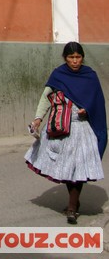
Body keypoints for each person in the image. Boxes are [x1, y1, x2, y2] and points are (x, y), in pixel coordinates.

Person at [25, 41, 107, 224]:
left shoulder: (90, 76)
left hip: (83, 128)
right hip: (61, 128)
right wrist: (38, 119)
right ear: (65, 58)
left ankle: (71, 207)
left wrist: (88, 109)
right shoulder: (58, 75)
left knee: (78, 168)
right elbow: (45, 98)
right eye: (71, 57)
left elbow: (97, 101)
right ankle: (74, 203)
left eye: (78, 57)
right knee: (69, 169)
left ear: (82, 57)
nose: (75, 61)